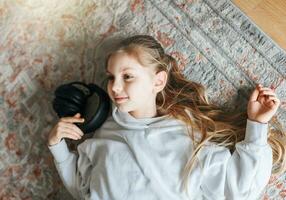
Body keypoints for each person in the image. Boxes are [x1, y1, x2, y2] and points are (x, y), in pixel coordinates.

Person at [47, 35, 286, 200]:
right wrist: (57, 146)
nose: (115, 87)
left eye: (127, 76)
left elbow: (239, 189)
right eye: (111, 77)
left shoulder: (185, 139)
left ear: (158, 81)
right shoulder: (102, 136)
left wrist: (257, 124)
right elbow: (82, 189)